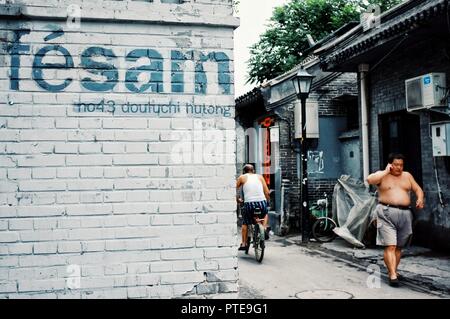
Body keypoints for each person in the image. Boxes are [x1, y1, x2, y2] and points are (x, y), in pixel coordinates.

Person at [367, 153, 424, 287]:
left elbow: (417, 189)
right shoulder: (382, 175)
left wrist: (420, 198)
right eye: (396, 165)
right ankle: (392, 274)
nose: (399, 167)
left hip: (405, 214)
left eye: (401, 165)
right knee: (390, 245)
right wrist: (386, 171)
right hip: (385, 213)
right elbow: (369, 180)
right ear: (390, 164)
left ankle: (393, 270)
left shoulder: (407, 176)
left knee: (399, 247)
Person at [236, 164, 270, 251]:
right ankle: (265, 228)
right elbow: (267, 192)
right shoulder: (260, 177)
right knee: (265, 214)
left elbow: (233, 188)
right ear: (253, 171)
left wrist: (237, 199)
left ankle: (244, 243)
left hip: (249, 204)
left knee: (245, 222)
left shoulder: (242, 177)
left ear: (244, 172)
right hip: (261, 202)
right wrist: (267, 202)